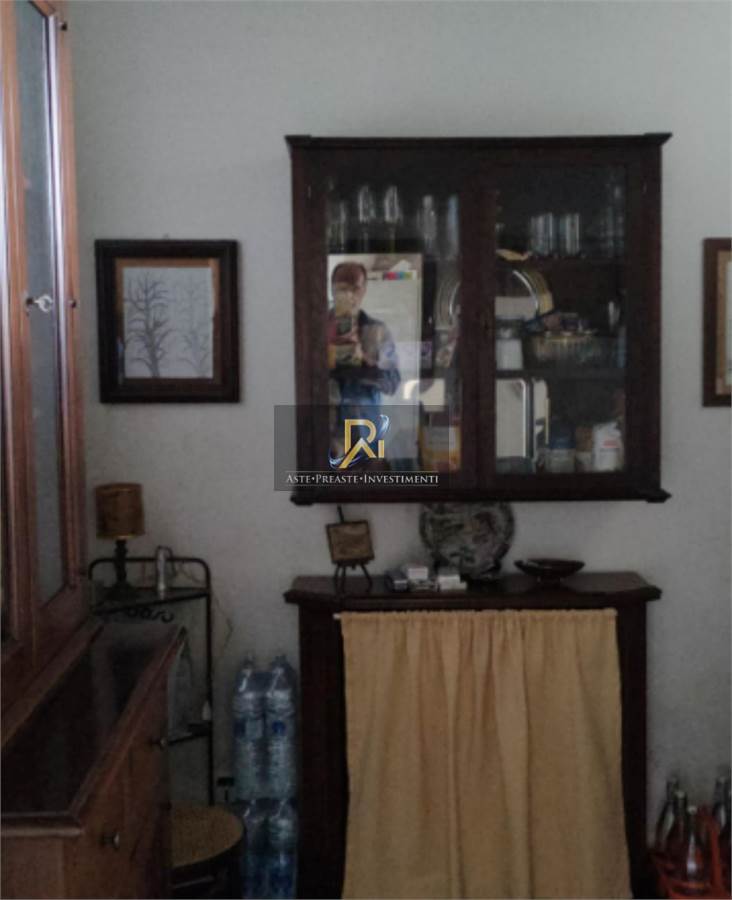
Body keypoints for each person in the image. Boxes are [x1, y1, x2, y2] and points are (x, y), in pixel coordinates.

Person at [327, 261, 400, 462]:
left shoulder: (378, 332)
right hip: (324, 433)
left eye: (355, 288)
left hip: (365, 436)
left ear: (364, 290)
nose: (349, 295)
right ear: (332, 289)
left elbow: (392, 383)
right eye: (342, 288)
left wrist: (366, 363)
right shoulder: (316, 327)